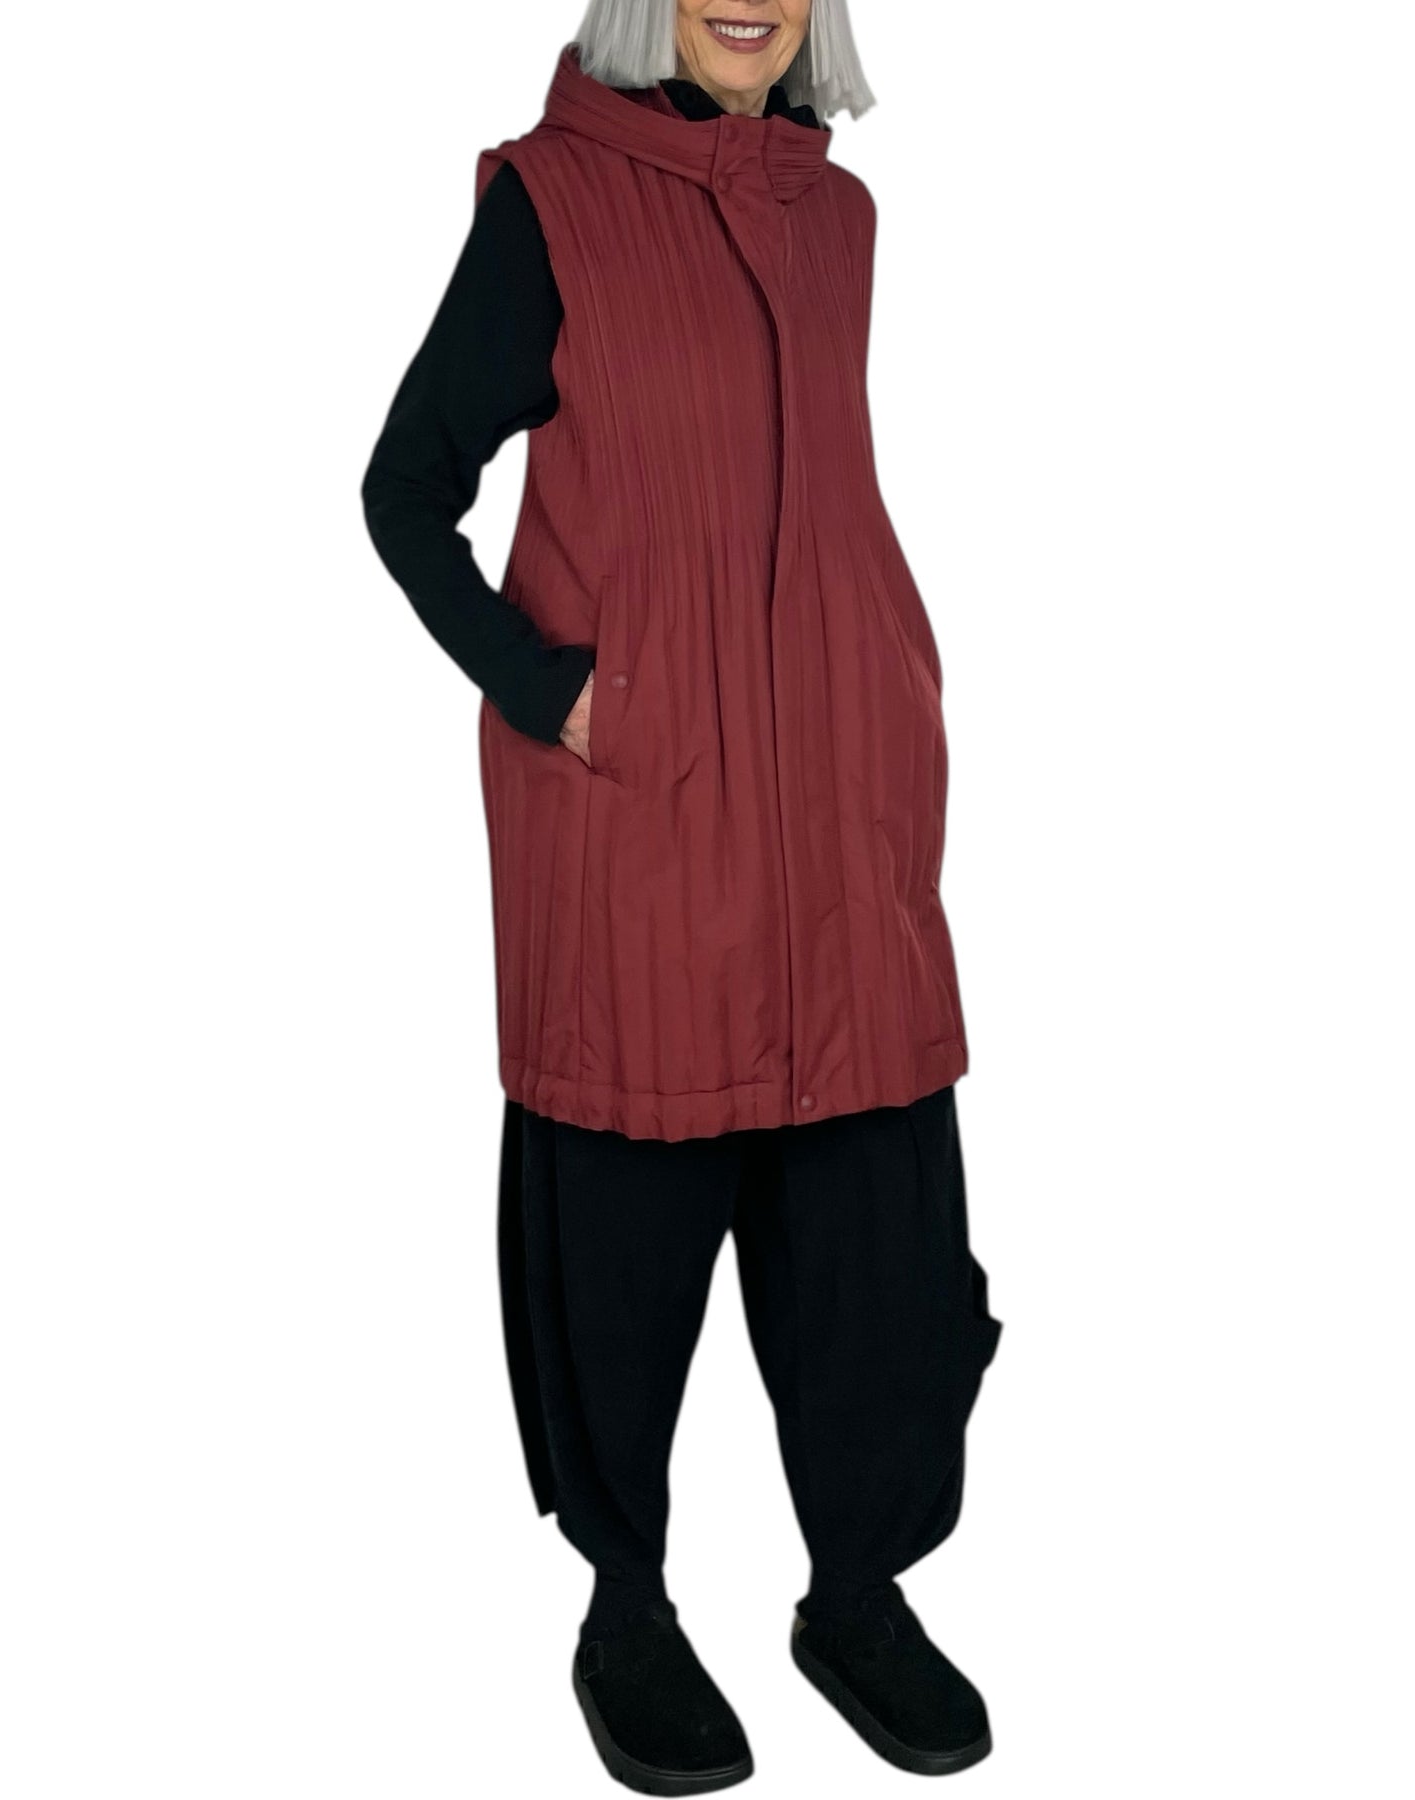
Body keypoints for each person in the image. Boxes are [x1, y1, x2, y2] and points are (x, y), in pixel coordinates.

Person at [361, 3, 1002, 1788]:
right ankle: (626, 1610)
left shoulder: (840, 214)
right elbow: (405, 490)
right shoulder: (552, 203)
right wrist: (554, 688)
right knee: (625, 1247)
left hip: (850, 818)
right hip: (643, 826)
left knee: (875, 1239)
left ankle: (857, 1597)